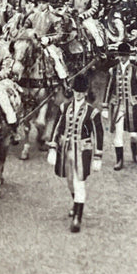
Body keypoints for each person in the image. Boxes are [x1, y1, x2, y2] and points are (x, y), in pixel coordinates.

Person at [47, 74, 103, 233]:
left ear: (85, 92)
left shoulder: (92, 112)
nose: (78, 94)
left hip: (82, 151)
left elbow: (99, 135)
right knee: (70, 182)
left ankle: (77, 216)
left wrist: (98, 156)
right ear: (73, 91)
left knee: (79, 182)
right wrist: (52, 147)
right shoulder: (64, 108)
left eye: (81, 91)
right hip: (65, 150)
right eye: (76, 91)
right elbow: (57, 127)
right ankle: (76, 203)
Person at [102, 42, 137, 171]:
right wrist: (105, 107)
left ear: (129, 56)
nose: (122, 58)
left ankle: (134, 150)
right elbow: (108, 88)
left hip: (133, 107)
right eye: (120, 55)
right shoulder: (113, 71)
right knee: (118, 134)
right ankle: (119, 160)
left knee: (133, 135)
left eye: (125, 56)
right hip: (118, 107)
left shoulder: (136, 71)